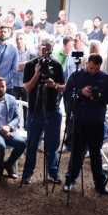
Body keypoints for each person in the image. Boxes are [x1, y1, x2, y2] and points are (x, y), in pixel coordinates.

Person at [62, 54, 108, 195]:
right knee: (76, 153)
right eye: (91, 68)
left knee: (95, 155)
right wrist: (81, 92)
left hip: (97, 122)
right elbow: (67, 94)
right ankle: (70, 180)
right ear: (86, 63)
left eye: (96, 69)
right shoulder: (76, 75)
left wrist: (99, 96)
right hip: (80, 120)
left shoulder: (106, 78)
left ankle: (99, 184)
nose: (93, 71)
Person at [21, 41, 65, 185]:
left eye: (50, 51)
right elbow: (27, 88)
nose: (48, 54)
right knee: (32, 144)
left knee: (52, 145)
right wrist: (36, 74)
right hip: (35, 110)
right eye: (45, 51)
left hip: (53, 109)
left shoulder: (57, 65)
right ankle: (27, 174)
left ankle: (53, 173)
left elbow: (63, 87)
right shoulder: (30, 65)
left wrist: (54, 85)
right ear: (39, 50)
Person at [0, 77, 26, 179]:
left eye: (2, 86)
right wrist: (1, 130)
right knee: (0, 145)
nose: (0, 89)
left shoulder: (11, 99)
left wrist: (8, 127)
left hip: (9, 129)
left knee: (22, 144)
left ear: (6, 88)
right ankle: (0, 168)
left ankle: (7, 164)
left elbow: (16, 117)